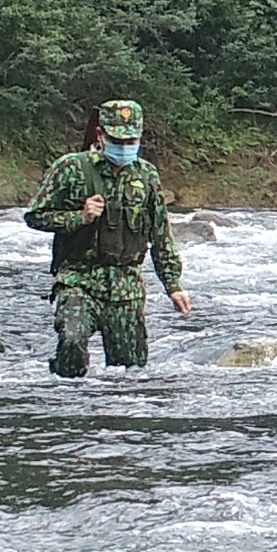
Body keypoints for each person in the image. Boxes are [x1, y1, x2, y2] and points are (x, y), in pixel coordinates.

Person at [24, 99, 193, 376]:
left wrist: (173, 285)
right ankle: (64, 397)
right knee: (72, 342)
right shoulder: (71, 168)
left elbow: (161, 234)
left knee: (130, 373)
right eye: (117, 140)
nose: (124, 147)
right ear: (100, 135)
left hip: (126, 288)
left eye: (131, 141)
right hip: (78, 280)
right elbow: (35, 216)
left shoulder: (146, 176)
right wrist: (79, 217)